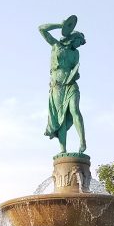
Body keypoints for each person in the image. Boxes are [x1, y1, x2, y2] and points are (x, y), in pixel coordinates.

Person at [39, 16, 87, 154]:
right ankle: (63, 150)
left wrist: (75, 74)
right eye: (79, 41)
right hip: (57, 85)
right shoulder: (56, 45)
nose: (79, 45)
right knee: (61, 118)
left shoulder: (75, 53)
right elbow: (41, 29)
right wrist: (60, 25)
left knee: (74, 110)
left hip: (71, 84)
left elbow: (74, 69)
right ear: (73, 38)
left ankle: (82, 141)